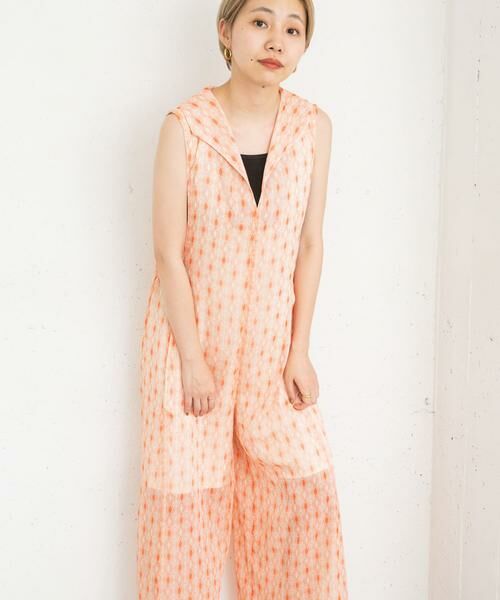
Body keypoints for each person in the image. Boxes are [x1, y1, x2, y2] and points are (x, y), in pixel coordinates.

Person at [136, 1, 348, 598]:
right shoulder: (185, 126)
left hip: (273, 357)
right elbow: (168, 254)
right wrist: (192, 360)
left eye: (292, 28)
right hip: (186, 351)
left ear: (304, 45)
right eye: (260, 21)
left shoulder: (313, 127)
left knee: (300, 500)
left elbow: (310, 244)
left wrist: (299, 351)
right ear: (226, 30)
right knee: (184, 511)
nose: (276, 39)